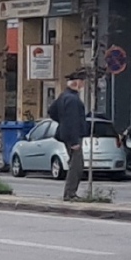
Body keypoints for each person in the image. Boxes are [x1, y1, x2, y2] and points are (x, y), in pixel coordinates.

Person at [48, 71, 88, 202]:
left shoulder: (63, 96)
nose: (83, 85)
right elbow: (73, 121)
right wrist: (75, 140)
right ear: (76, 83)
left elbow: (52, 111)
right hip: (73, 137)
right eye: (82, 82)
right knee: (76, 166)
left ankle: (70, 192)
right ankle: (70, 193)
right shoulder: (73, 100)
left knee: (75, 164)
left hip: (66, 135)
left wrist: (62, 121)